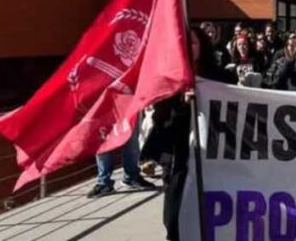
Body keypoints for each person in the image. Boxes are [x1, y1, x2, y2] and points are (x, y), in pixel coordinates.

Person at [142, 27, 235, 240]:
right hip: (178, 156)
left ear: (202, 46)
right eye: (183, 43)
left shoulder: (219, 76)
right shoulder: (169, 79)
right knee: (174, 215)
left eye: (192, 43)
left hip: (211, 155)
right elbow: (162, 121)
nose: (188, 47)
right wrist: (182, 104)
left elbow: (243, 101)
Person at [86, 120, 157, 198]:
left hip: (123, 109)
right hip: (103, 111)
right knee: (103, 139)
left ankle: (131, 177)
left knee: (130, 136)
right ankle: (104, 182)